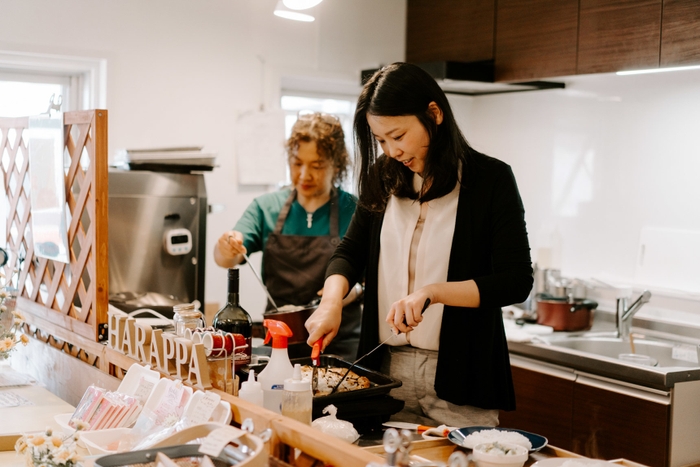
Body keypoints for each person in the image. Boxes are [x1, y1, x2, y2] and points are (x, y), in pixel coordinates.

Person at [305, 63, 533, 427]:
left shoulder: (490, 180)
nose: (392, 150)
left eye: (398, 135)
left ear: (434, 113)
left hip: (461, 377)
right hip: (384, 373)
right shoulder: (383, 177)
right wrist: (331, 303)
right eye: (381, 140)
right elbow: (350, 253)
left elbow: (516, 280)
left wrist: (433, 293)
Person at [214, 112, 362, 360]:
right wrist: (226, 247)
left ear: (337, 164)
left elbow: (371, 279)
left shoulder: (354, 210)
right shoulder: (266, 207)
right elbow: (224, 259)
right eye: (297, 163)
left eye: (317, 166)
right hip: (279, 340)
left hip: (340, 344)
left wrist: (340, 296)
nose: (304, 175)